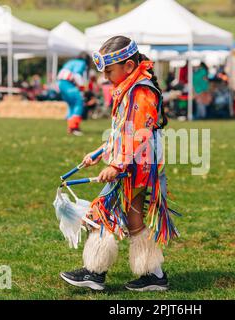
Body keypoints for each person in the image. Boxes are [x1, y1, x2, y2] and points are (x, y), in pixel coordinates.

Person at [59, 36, 179, 292]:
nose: (105, 77)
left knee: (98, 213)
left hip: (134, 167)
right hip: (135, 165)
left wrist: (117, 165)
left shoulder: (141, 91)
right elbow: (123, 132)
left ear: (128, 65)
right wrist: (100, 152)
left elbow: (139, 134)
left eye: (109, 71)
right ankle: (154, 276)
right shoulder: (131, 87)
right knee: (134, 219)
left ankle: (94, 272)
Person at [57, 53, 90, 136]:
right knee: (78, 102)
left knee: (72, 105)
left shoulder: (71, 62)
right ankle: (74, 127)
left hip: (60, 83)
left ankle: (70, 127)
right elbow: (77, 75)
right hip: (67, 83)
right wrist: (82, 88)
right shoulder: (81, 63)